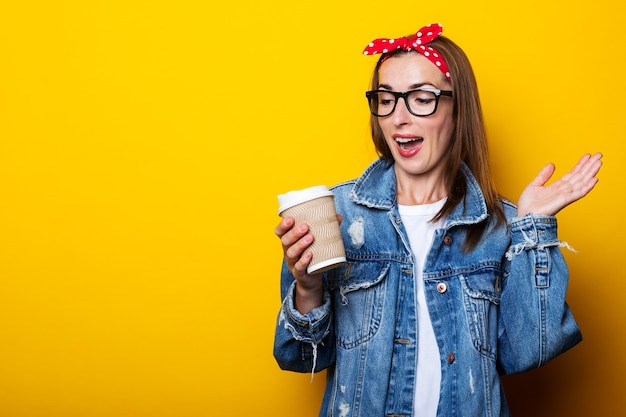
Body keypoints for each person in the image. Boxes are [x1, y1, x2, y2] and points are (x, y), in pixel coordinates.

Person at [273, 23, 603, 417]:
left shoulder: (502, 227)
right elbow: (296, 357)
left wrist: (532, 229)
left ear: (458, 107)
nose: (399, 118)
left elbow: (530, 351)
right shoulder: (338, 215)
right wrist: (307, 289)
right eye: (386, 98)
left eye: (422, 99)